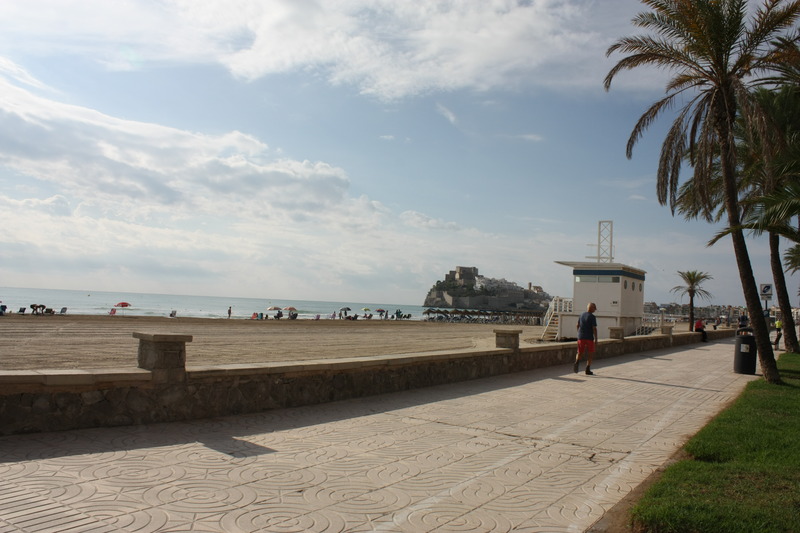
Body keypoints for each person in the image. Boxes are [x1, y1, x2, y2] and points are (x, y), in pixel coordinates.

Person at [574, 302, 598, 375]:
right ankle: (587, 369)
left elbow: (577, 325)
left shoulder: (581, 315)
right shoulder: (592, 317)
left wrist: (578, 333)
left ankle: (577, 362)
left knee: (580, 352)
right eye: (594, 308)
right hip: (589, 338)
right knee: (590, 353)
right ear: (592, 308)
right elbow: (594, 328)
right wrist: (596, 339)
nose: (595, 309)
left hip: (581, 337)